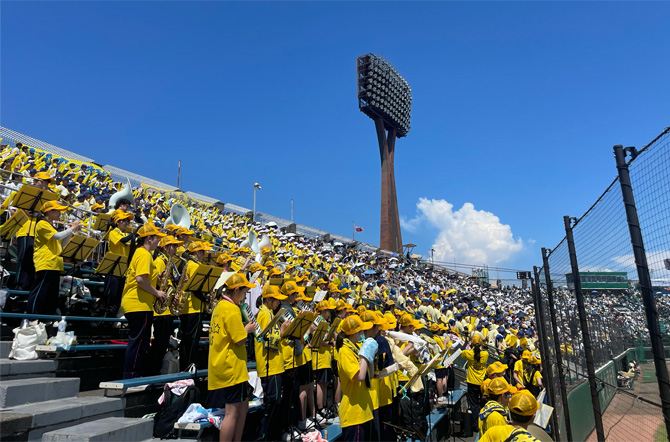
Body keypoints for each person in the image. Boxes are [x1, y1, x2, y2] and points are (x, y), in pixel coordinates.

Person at [207, 273, 257, 442]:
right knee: (232, 412)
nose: (244, 297)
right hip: (231, 367)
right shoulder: (231, 308)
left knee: (242, 407)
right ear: (236, 290)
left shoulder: (220, 306)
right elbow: (240, 339)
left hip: (226, 365)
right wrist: (248, 329)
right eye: (244, 292)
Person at [120, 223, 166, 379]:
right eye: (156, 239)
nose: (158, 242)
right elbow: (140, 279)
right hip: (138, 304)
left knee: (139, 342)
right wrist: (157, 292)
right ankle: (131, 377)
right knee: (139, 343)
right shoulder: (145, 254)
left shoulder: (141, 253)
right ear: (149, 239)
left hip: (136, 303)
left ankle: (133, 375)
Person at [26, 201, 81, 314]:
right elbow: (57, 236)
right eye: (57, 210)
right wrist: (71, 228)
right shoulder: (42, 223)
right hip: (45, 262)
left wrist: (72, 232)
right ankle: (32, 316)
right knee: (39, 291)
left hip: (55, 263)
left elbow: (61, 242)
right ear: (49, 212)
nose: (60, 213)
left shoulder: (50, 225)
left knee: (51, 294)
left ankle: (47, 317)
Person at [254, 284, 289, 441]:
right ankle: (266, 435)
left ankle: (271, 434)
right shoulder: (264, 314)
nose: (278, 303)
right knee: (273, 403)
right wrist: (282, 331)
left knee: (275, 402)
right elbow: (266, 340)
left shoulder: (270, 313)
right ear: (268, 299)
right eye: (276, 300)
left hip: (275, 365)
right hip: (270, 366)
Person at [145, 234, 184, 376]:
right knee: (159, 344)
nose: (175, 249)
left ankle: (157, 370)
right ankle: (152, 371)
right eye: (173, 246)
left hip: (167, 308)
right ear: (166, 248)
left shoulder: (169, 262)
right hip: (160, 310)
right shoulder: (161, 261)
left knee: (162, 344)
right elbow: (156, 282)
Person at [336, 314, 374, 442]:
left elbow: (371, 374)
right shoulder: (344, 351)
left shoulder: (355, 347)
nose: (364, 333)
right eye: (361, 331)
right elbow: (360, 376)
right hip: (354, 413)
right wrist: (364, 355)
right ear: (355, 333)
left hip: (364, 410)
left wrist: (371, 357)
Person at [462, 334, 489, 418]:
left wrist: (468, 344)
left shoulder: (469, 353)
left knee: (474, 404)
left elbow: (463, 352)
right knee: (483, 402)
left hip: (472, 382)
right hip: (482, 382)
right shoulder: (485, 354)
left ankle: (475, 423)